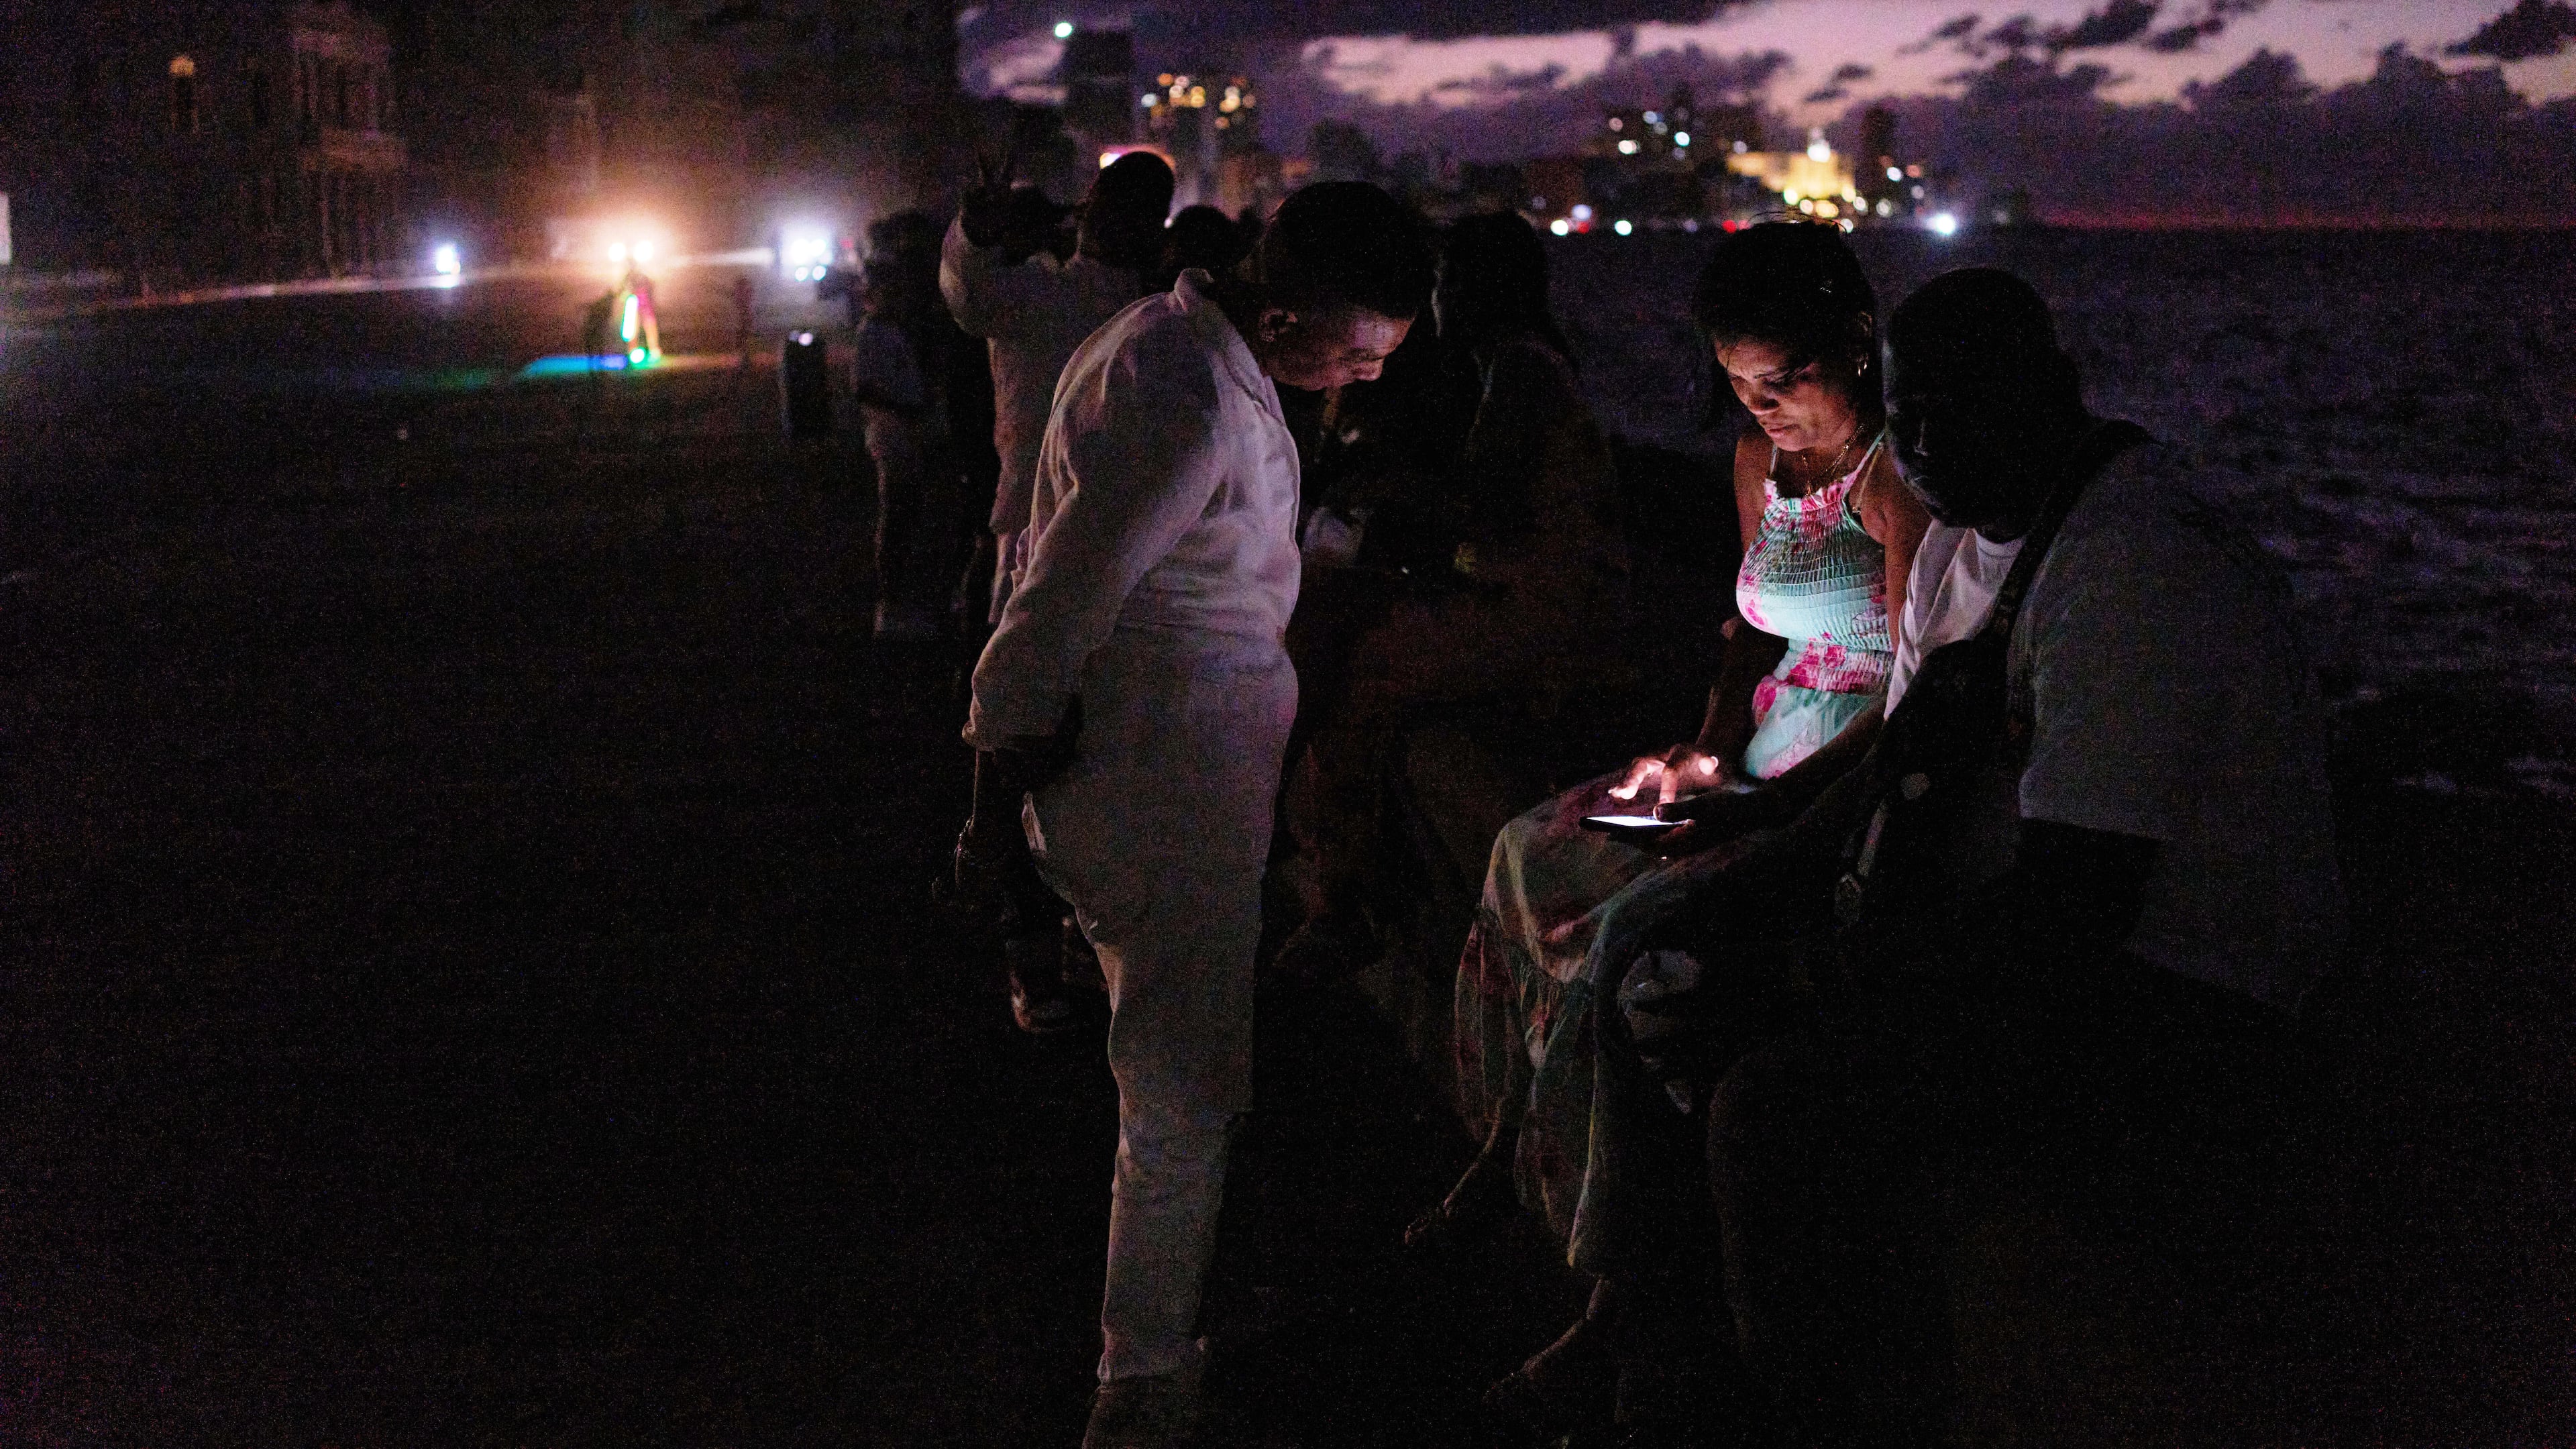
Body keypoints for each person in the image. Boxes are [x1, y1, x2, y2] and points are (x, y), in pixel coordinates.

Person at [1584, 266, 2345, 1446]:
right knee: (1666, 973)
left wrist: (1829, 981)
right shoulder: (1965, 546)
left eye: (1962, 409)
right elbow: (1893, 770)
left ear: (2055, 390)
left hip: (2180, 1004)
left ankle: (1795, 1412)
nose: (1929, 445)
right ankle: (1665, 1373)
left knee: (1772, 1105)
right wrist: (1753, 863)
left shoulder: (2128, 566)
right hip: (2040, 947)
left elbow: (2073, 907)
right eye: (1912, 412)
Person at [1417, 221, 1929, 1442]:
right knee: (1525, 849)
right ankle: (1501, 1146)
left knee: (1631, 941)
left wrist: (1774, 801)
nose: (1767, 408)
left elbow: (1916, 691)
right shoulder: (1760, 463)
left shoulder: (1902, 476)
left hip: (1837, 776)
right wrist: (1698, 749)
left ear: (1858, 346)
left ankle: (1613, 1312)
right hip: (1758, 744)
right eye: (1744, 384)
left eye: (1786, 379)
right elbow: (1749, 630)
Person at [953, 182, 1434, 1448]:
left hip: (1179, 788)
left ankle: (1174, 1324)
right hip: (1157, 797)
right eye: (1358, 352)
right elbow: (1053, 600)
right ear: (1284, 315)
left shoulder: (1179, 352)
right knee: (1178, 1096)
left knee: (1182, 1078)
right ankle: (1145, 1381)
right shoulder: (1181, 396)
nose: (1364, 379)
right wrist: (990, 799)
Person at [1273, 212, 1634, 979]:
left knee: (1362, 670)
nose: (1436, 301)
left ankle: (1339, 893)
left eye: (1442, 283)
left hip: (1537, 616)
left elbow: (1488, 513)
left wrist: (1391, 486)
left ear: (1473, 289)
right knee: (1338, 609)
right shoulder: (1524, 367)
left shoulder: (1523, 374)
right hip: (1538, 598)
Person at [941, 151, 1175, 625]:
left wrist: (976, 234)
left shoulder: (1160, 310)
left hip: (1111, 527)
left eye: (1130, 210)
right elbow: (972, 294)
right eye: (1109, 205)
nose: (1110, 219)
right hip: (1044, 517)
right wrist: (976, 232)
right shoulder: (1044, 293)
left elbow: (972, 293)